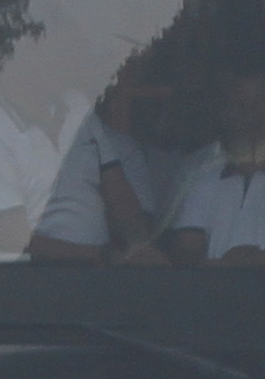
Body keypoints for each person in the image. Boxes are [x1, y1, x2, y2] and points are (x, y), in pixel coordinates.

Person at [162, 67, 265, 264]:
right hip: (215, 283)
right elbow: (185, 253)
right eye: (240, 104)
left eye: (260, 103)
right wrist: (226, 267)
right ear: (226, 114)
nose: (249, 113)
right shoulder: (205, 173)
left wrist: (256, 261)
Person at [26, 62, 175, 263]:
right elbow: (12, 241)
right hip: (35, 272)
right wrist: (102, 256)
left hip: (98, 272)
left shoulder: (77, 106)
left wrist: (139, 248)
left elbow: (118, 193)